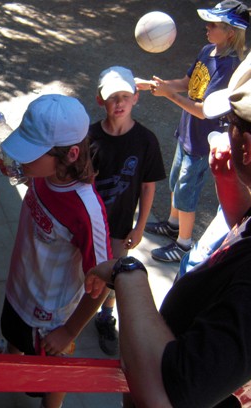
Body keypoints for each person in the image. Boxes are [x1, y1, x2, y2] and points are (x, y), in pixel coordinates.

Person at [85, 48, 251, 408]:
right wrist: (231, 185)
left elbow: (163, 396)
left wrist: (129, 274)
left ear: (248, 147)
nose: (224, 132)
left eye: (229, 125)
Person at [0, 94, 112, 408]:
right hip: (18, 289)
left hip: (48, 317)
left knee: (52, 373)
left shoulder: (87, 212)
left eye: (32, 153)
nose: (23, 160)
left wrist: (69, 331)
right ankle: (8, 369)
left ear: (71, 155)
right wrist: (23, 173)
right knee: (11, 333)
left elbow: (103, 282)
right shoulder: (43, 175)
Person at [138, 0, 249, 262]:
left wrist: (168, 95)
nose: (207, 28)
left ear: (231, 32)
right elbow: (187, 83)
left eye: (213, 24)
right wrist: (157, 85)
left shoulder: (228, 66)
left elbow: (203, 111)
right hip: (187, 133)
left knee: (186, 192)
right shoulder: (207, 51)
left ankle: (183, 244)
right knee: (176, 182)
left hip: (202, 142)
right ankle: (173, 225)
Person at [89, 66, 166, 356]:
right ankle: (68, 311)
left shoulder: (146, 141)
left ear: (136, 97)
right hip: (88, 222)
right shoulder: (89, 136)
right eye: (112, 97)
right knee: (81, 267)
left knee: (114, 274)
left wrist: (140, 226)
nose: (119, 103)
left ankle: (106, 315)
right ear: (100, 100)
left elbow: (147, 186)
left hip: (120, 226)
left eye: (125, 96)